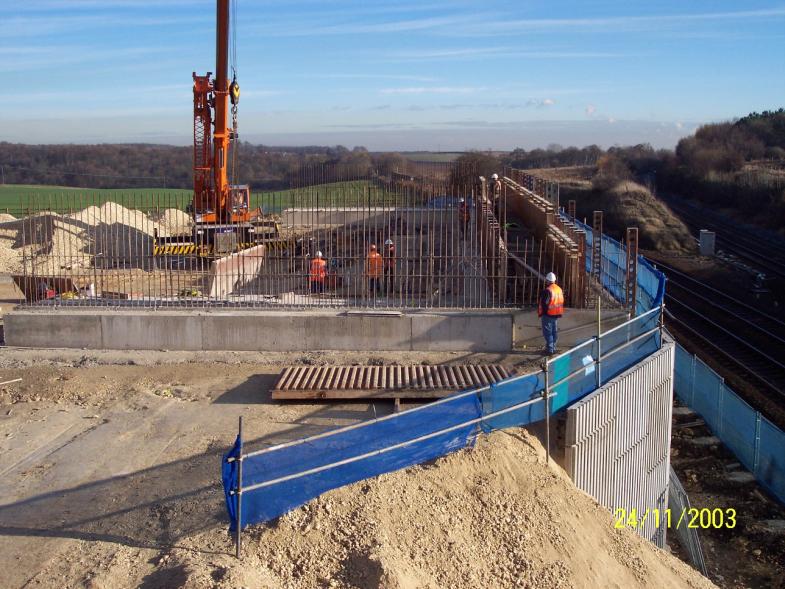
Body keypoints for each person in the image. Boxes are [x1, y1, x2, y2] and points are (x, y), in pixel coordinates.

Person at [538, 272, 564, 355]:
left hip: (548, 314)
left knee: (548, 333)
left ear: (548, 280)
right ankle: (553, 347)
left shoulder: (548, 290)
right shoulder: (559, 289)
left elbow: (544, 304)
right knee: (554, 332)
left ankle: (550, 350)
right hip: (556, 314)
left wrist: (543, 313)